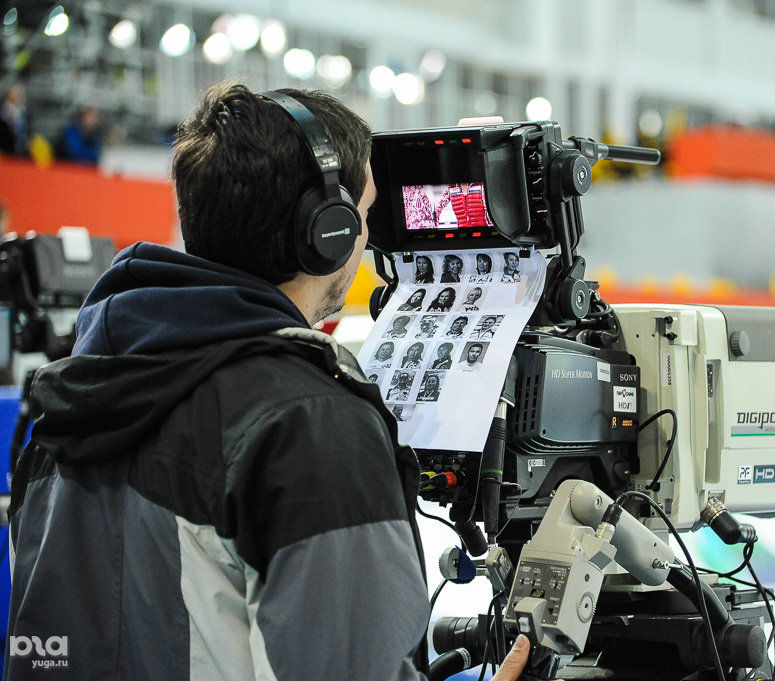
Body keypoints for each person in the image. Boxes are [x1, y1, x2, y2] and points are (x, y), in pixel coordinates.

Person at [3, 82, 537, 681]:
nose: (365, 239)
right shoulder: (311, 422)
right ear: (325, 230)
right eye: (363, 217)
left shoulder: (67, 400)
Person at [0, 84, 29, 156]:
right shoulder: (4, 110)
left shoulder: (23, 110)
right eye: (13, 94)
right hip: (6, 147)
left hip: (21, 146)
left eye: (17, 94)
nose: (15, 96)